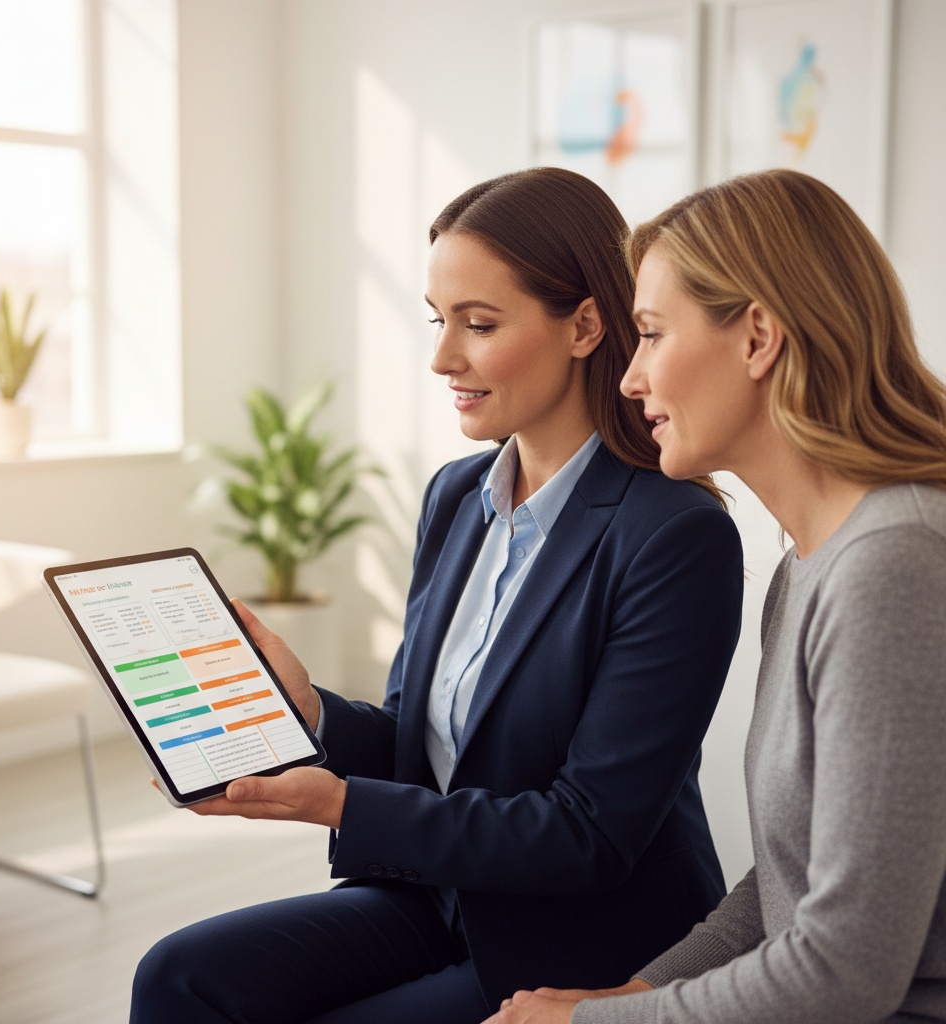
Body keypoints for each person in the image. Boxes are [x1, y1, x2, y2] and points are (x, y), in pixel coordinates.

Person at [129, 167, 744, 1024]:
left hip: (581, 934)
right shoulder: (458, 498)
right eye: (438, 319)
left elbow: (589, 835)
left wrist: (339, 804)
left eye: (479, 324)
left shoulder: (674, 536)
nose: (442, 357)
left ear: (586, 326)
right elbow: (424, 751)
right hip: (444, 897)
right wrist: (308, 713)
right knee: (178, 976)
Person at [485, 168, 946, 1024]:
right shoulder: (811, 562)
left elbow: (848, 969)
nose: (629, 379)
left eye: (652, 335)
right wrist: (639, 990)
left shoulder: (893, 565)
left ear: (758, 337)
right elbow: (788, 879)